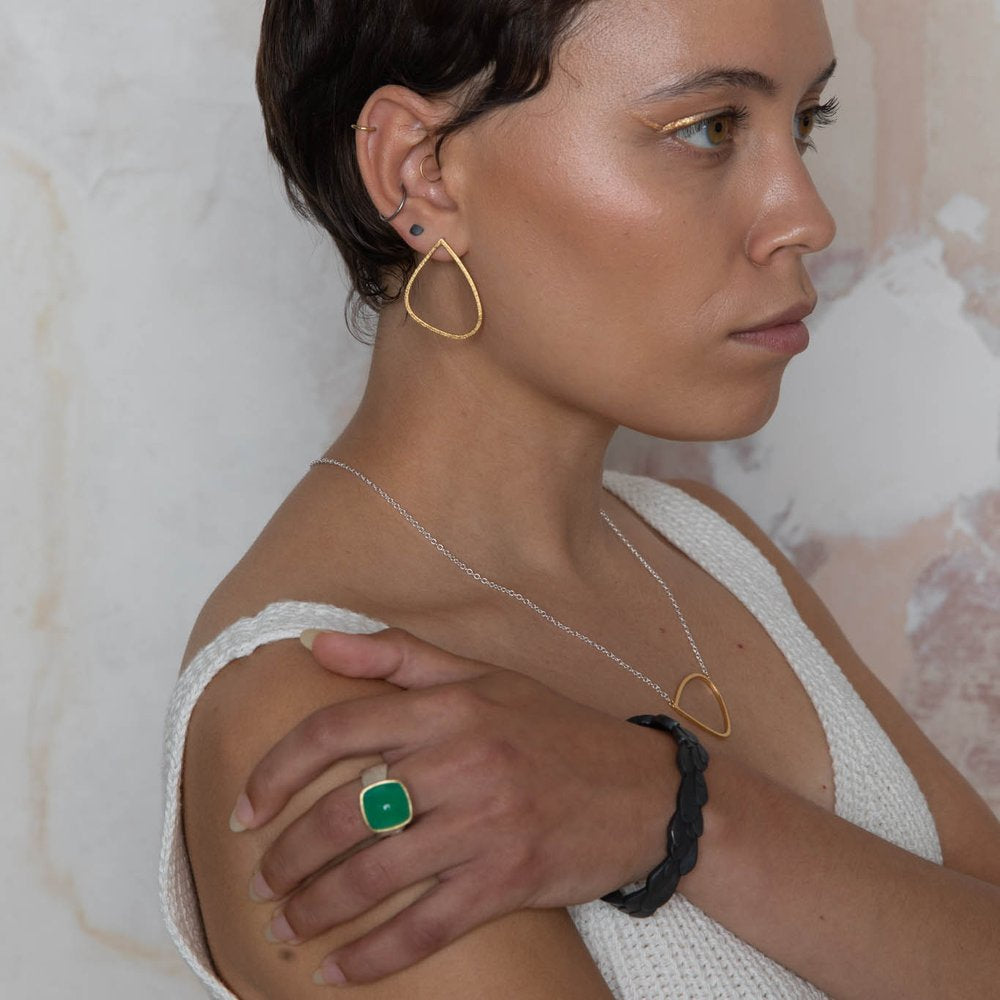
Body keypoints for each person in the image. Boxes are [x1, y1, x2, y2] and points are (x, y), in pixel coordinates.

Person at [159, 0, 1000, 997]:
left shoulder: (705, 549)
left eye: (802, 123)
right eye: (708, 127)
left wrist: (680, 814)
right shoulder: (320, 723)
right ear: (419, 173)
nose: (805, 215)